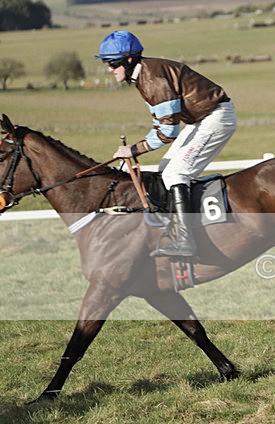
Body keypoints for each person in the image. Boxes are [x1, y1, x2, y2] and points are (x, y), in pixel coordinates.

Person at [96, 30, 237, 257]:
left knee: (174, 175)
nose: (110, 69)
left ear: (129, 59)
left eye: (112, 63)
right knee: (165, 169)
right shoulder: (145, 75)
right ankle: (178, 228)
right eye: (107, 64)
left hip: (215, 117)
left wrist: (133, 150)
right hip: (202, 119)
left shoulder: (152, 80)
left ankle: (187, 240)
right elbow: (162, 124)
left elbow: (168, 132)